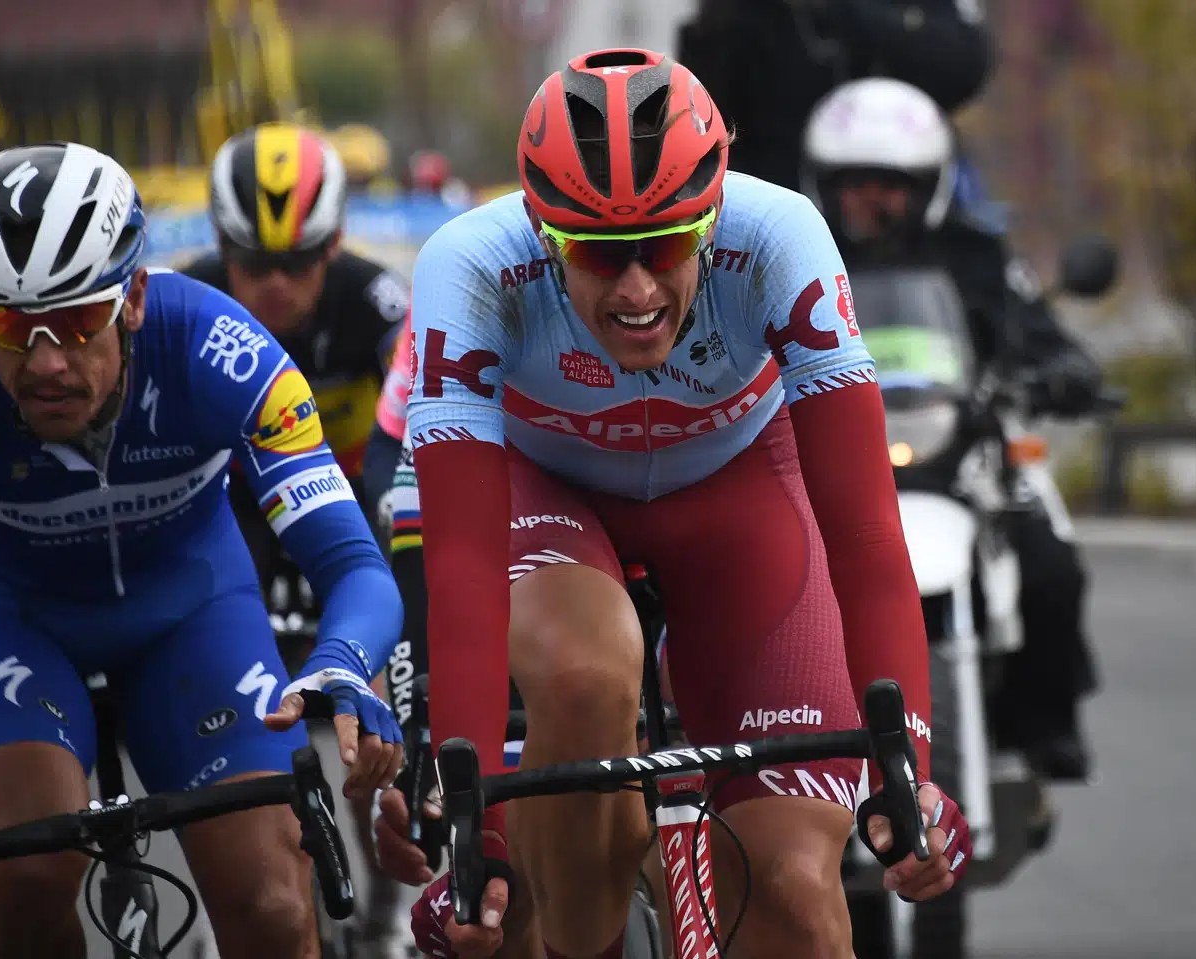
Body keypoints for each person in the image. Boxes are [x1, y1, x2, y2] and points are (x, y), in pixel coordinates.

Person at [376, 48, 973, 959]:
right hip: (549, 489)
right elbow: (459, 569)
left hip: (734, 491)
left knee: (801, 901)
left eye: (664, 246)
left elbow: (861, 529)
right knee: (584, 673)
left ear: (712, 214)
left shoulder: (780, 234)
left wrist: (911, 774)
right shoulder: (471, 266)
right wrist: (476, 833)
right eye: (598, 255)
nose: (637, 289)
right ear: (542, 230)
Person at [0, 142, 404, 958]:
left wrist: (348, 656)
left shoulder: (219, 347)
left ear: (134, 296)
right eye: (6, 325)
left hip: (191, 609)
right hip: (11, 621)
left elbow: (352, 561)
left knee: (275, 905)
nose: (45, 362)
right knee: (32, 873)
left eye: (74, 321)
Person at [800, 76, 1103, 779]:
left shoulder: (975, 256)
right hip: (832, 458)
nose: (872, 199)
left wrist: (1063, 367)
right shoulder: (796, 252)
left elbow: (1033, 325)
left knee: (1050, 560)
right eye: (854, 182)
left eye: (891, 182)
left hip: (959, 452)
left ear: (931, 183)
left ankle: (1041, 721)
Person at [187, 120, 415, 953]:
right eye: (255, 264)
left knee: (378, 709)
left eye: (298, 263)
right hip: (236, 502)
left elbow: (420, 422)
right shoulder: (192, 302)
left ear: (336, 245)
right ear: (221, 248)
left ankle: (385, 920)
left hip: (346, 501)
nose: (276, 284)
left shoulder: (376, 302)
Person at [676, 0, 993, 188]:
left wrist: (841, 11)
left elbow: (965, 63)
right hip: (783, 193)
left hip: (905, 194)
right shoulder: (745, 16)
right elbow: (706, 112)